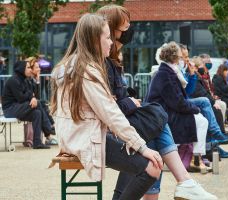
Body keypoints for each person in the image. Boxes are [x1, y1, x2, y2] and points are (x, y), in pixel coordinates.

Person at [97, 5, 217, 200]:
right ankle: (183, 182)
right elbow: (108, 105)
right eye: (125, 26)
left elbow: (117, 98)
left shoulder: (111, 61)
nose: (130, 30)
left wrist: (127, 101)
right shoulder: (102, 63)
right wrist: (130, 103)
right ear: (110, 29)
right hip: (106, 129)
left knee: (153, 125)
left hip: (120, 123)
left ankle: (178, 184)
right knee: (154, 121)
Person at [51, 13, 163, 200]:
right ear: (96, 39)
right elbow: (111, 114)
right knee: (152, 167)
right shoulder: (87, 70)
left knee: (136, 146)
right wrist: (143, 148)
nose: (112, 42)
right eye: (108, 37)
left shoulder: (75, 64)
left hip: (75, 135)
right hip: (84, 138)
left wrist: (137, 144)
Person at [145, 41, 217, 200]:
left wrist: (192, 76)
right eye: (181, 55)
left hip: (161, 116)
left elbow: (183, 95)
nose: (184, 58)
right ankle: (190, 173)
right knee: (199, 118)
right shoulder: (166, 74)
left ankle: (188, 177)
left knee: (155, 160)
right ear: (176, 57)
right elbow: (177, 101)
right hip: (163, 116)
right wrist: (194, 109)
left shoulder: (170, 72)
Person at [2, 60, 54, 149]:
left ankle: (37, 142)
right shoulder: (13, 80)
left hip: (20, 108)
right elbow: (21, 98)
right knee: (38, 103)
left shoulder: (25, 80)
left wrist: (32, 97)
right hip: (10, 109)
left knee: (37, 113)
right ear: (21, 69)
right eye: (28, 67)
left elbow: (32, 95)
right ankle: (49, 128)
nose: (30, 70)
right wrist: (32, 97)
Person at [25, 56, 57, 145]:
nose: (39, 69)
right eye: (37, 67)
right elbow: (32, 96)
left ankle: (50, 130)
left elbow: (37, 96)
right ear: (31, 69)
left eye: (39, 67)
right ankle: (50, 128)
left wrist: (38, 80)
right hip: (26, 106)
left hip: (34, 104)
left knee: (42, 103)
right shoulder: (27, 80)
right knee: (41, 104)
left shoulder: (32, 79)